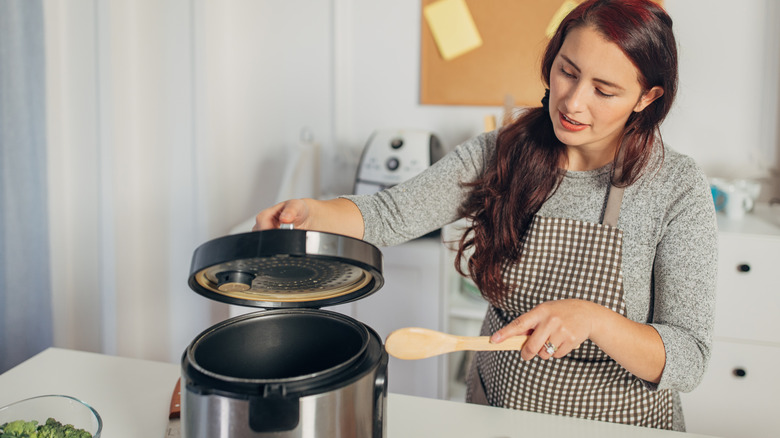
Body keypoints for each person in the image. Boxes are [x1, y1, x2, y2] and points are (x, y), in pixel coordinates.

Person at [254, 0, 716, 431]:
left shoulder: (676, 187)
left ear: (646, 97)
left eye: (604, 90)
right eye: (567, 72)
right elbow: (392, 213)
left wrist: (593, 319)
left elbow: (689, 357)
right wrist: (313, 211)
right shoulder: (504, 151)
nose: (574, 102)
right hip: (495, 413)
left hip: (616, 425)